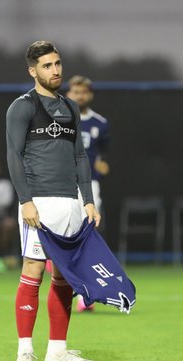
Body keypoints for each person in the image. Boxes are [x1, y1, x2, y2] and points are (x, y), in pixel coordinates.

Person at [5, 40, 101, 361]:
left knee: (65, 277)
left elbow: (80, 157)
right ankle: (24, 350)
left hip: (70, 204)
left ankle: (57, 352)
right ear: (33, 71)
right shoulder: (23, 106)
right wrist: (26, 201)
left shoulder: (71, 107)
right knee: (33, 272)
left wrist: (87, 201)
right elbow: (13, 156)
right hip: (39, 202)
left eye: (58, 63)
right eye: (47, 65)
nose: (55, 70)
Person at [66, 75, 111, 311]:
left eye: (83, 92)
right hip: (61, 185)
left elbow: (104, 154)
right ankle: (65, 285)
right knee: (64, 235)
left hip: (89, 185)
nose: (79, 96)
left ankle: (85, 292)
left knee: (87, 234)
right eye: (75, 91)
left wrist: (103, 164)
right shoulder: (59, 118)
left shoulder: (100, 123)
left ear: (90, 94)